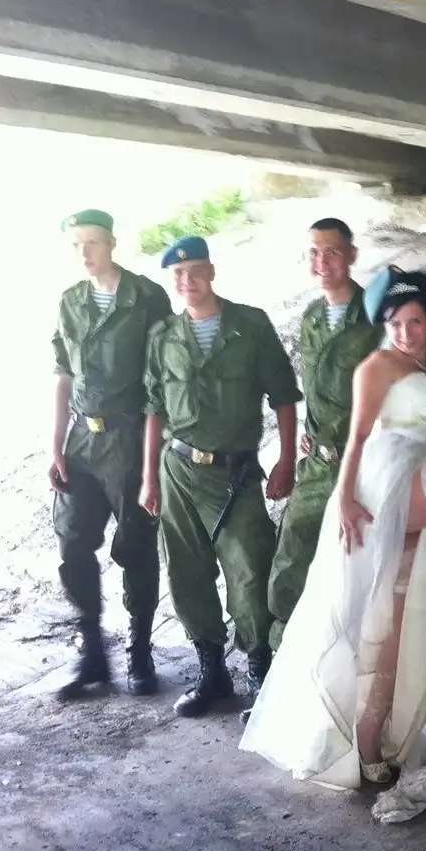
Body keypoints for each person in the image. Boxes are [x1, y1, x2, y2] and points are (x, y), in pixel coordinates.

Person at [240, 265, 426, 824]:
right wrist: (344, 497)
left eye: (415, 321)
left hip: (420, 475)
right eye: (396, 323)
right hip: (386, 481)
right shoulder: (376, 365)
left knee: (397, 622)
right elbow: (357, 437)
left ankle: (374, 749)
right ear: (384, 323)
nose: (406, 332)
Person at [140, 235, 302, 718]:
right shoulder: (163, 336)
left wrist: (286, 460)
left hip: (235, 473)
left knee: (250, 571)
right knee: (186, 573)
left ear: (211, 272)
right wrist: (149, 477)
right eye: (178, 274)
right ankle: (212, 672)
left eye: (195, 270)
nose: (187, 281)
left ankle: (260, 671)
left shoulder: (250, 325)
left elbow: (283, 395)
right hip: (178, 470)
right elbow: (153, 407)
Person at [50, 209, 173, 700]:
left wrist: (154, 458)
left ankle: (140, 652)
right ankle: (93, 656)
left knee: (136, 544)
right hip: (82, 440)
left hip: (130, 438)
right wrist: (56, 444)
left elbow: (162, 380)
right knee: (72, 539)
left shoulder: (146, 297)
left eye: (93, 242)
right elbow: (63, 373)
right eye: (77, 244)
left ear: (113, 244)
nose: (85, 252)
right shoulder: (70, 301)